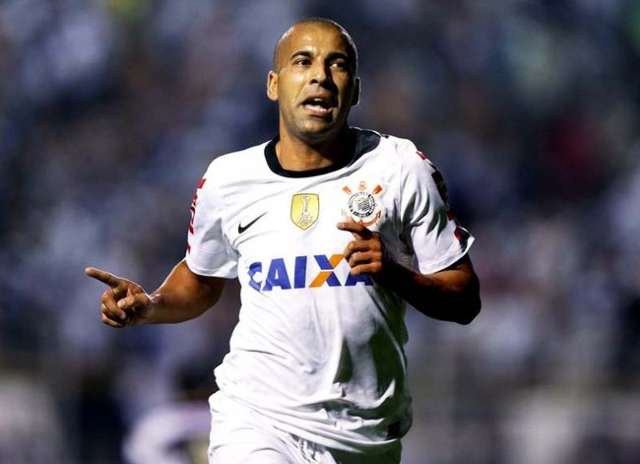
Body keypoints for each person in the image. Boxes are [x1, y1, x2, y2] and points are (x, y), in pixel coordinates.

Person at [86, 17, 481, 464]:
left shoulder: (400, 168)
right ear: (274, 84)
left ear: (354, 90)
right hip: (257, 418)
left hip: (363, 435)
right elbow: (201, 279)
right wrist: (151, 304)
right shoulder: (228, 180)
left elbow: (465, 299)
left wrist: (396, 275)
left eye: (337, 64)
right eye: (303, 61)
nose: (320, 76)